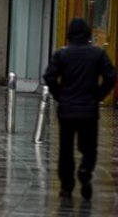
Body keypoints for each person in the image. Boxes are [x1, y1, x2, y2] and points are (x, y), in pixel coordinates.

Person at [43, 18, 116, 201]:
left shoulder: (62, 54)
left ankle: (67, 186)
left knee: (66, 149)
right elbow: (111, 76)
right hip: (89, 110)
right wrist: (98, 95)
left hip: (67, 110)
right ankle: (85, 170)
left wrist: (60, 95)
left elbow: (49, 76)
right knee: (89, 146)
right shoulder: (98, 54)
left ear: (69, 35)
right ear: (88, 34)